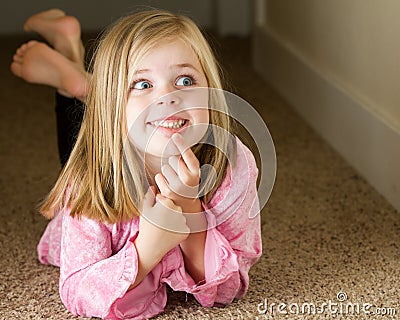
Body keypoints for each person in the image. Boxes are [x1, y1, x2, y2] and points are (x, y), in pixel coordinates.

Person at [11, 9, 262, 320]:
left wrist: (189, 207)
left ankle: (79, 76)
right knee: (82, 152)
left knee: (124, 129)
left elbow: (229, 288)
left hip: (124, 125)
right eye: (143, 84)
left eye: (185, 80)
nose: (168, 97)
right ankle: (75, 80)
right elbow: (78, 291)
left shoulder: (233, 165)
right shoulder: (89, 178)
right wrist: (148, 248)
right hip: (109, 158)